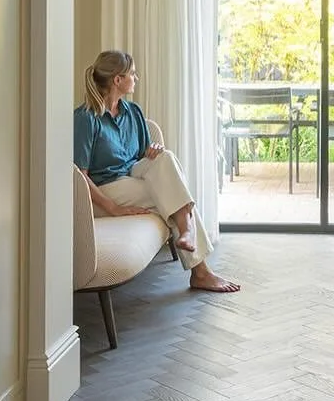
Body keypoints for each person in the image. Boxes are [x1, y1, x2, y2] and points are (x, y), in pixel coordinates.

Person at [74, 50, 240, 293]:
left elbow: (143, 157)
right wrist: (113, 208)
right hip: (105, 188)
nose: (136, 78)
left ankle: (187, 233)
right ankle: (199, 267)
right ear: (117, 80)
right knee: (169, 194)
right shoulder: (86, 118)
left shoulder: (133, 112)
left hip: (131, 175)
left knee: (166, 158)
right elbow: (79, 174)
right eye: (132, 73)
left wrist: (155, 150)